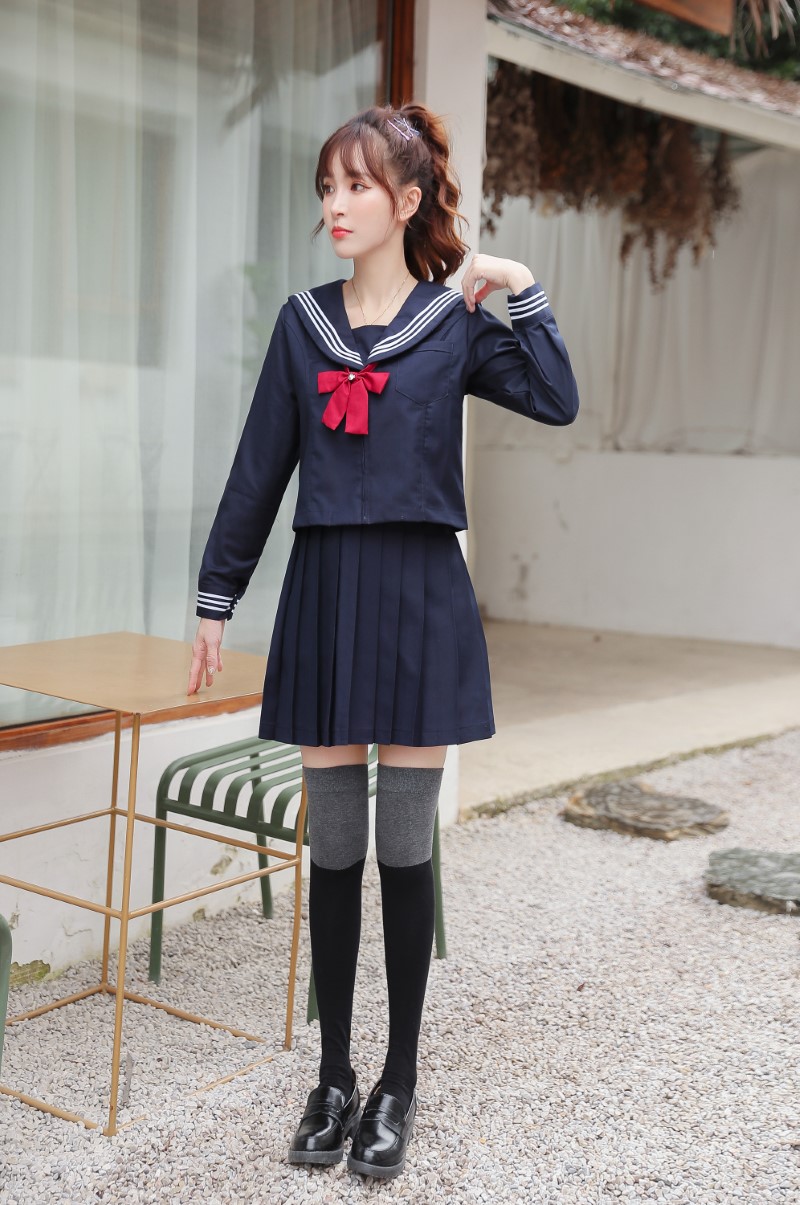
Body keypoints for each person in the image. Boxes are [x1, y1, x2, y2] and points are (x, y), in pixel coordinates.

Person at [186, 102, 579, 1181]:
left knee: (405, 846)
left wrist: (514, 281)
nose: (336, 203)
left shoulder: (451, 323)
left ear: (406, 201)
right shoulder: (300, 324)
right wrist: (217, 598)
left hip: (418, 598)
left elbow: (555, 397)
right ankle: (333, 1075)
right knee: (334, 851)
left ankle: (398, 1078)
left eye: (357, 185)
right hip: (324, 593)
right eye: (327, 185)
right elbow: (258, 468)